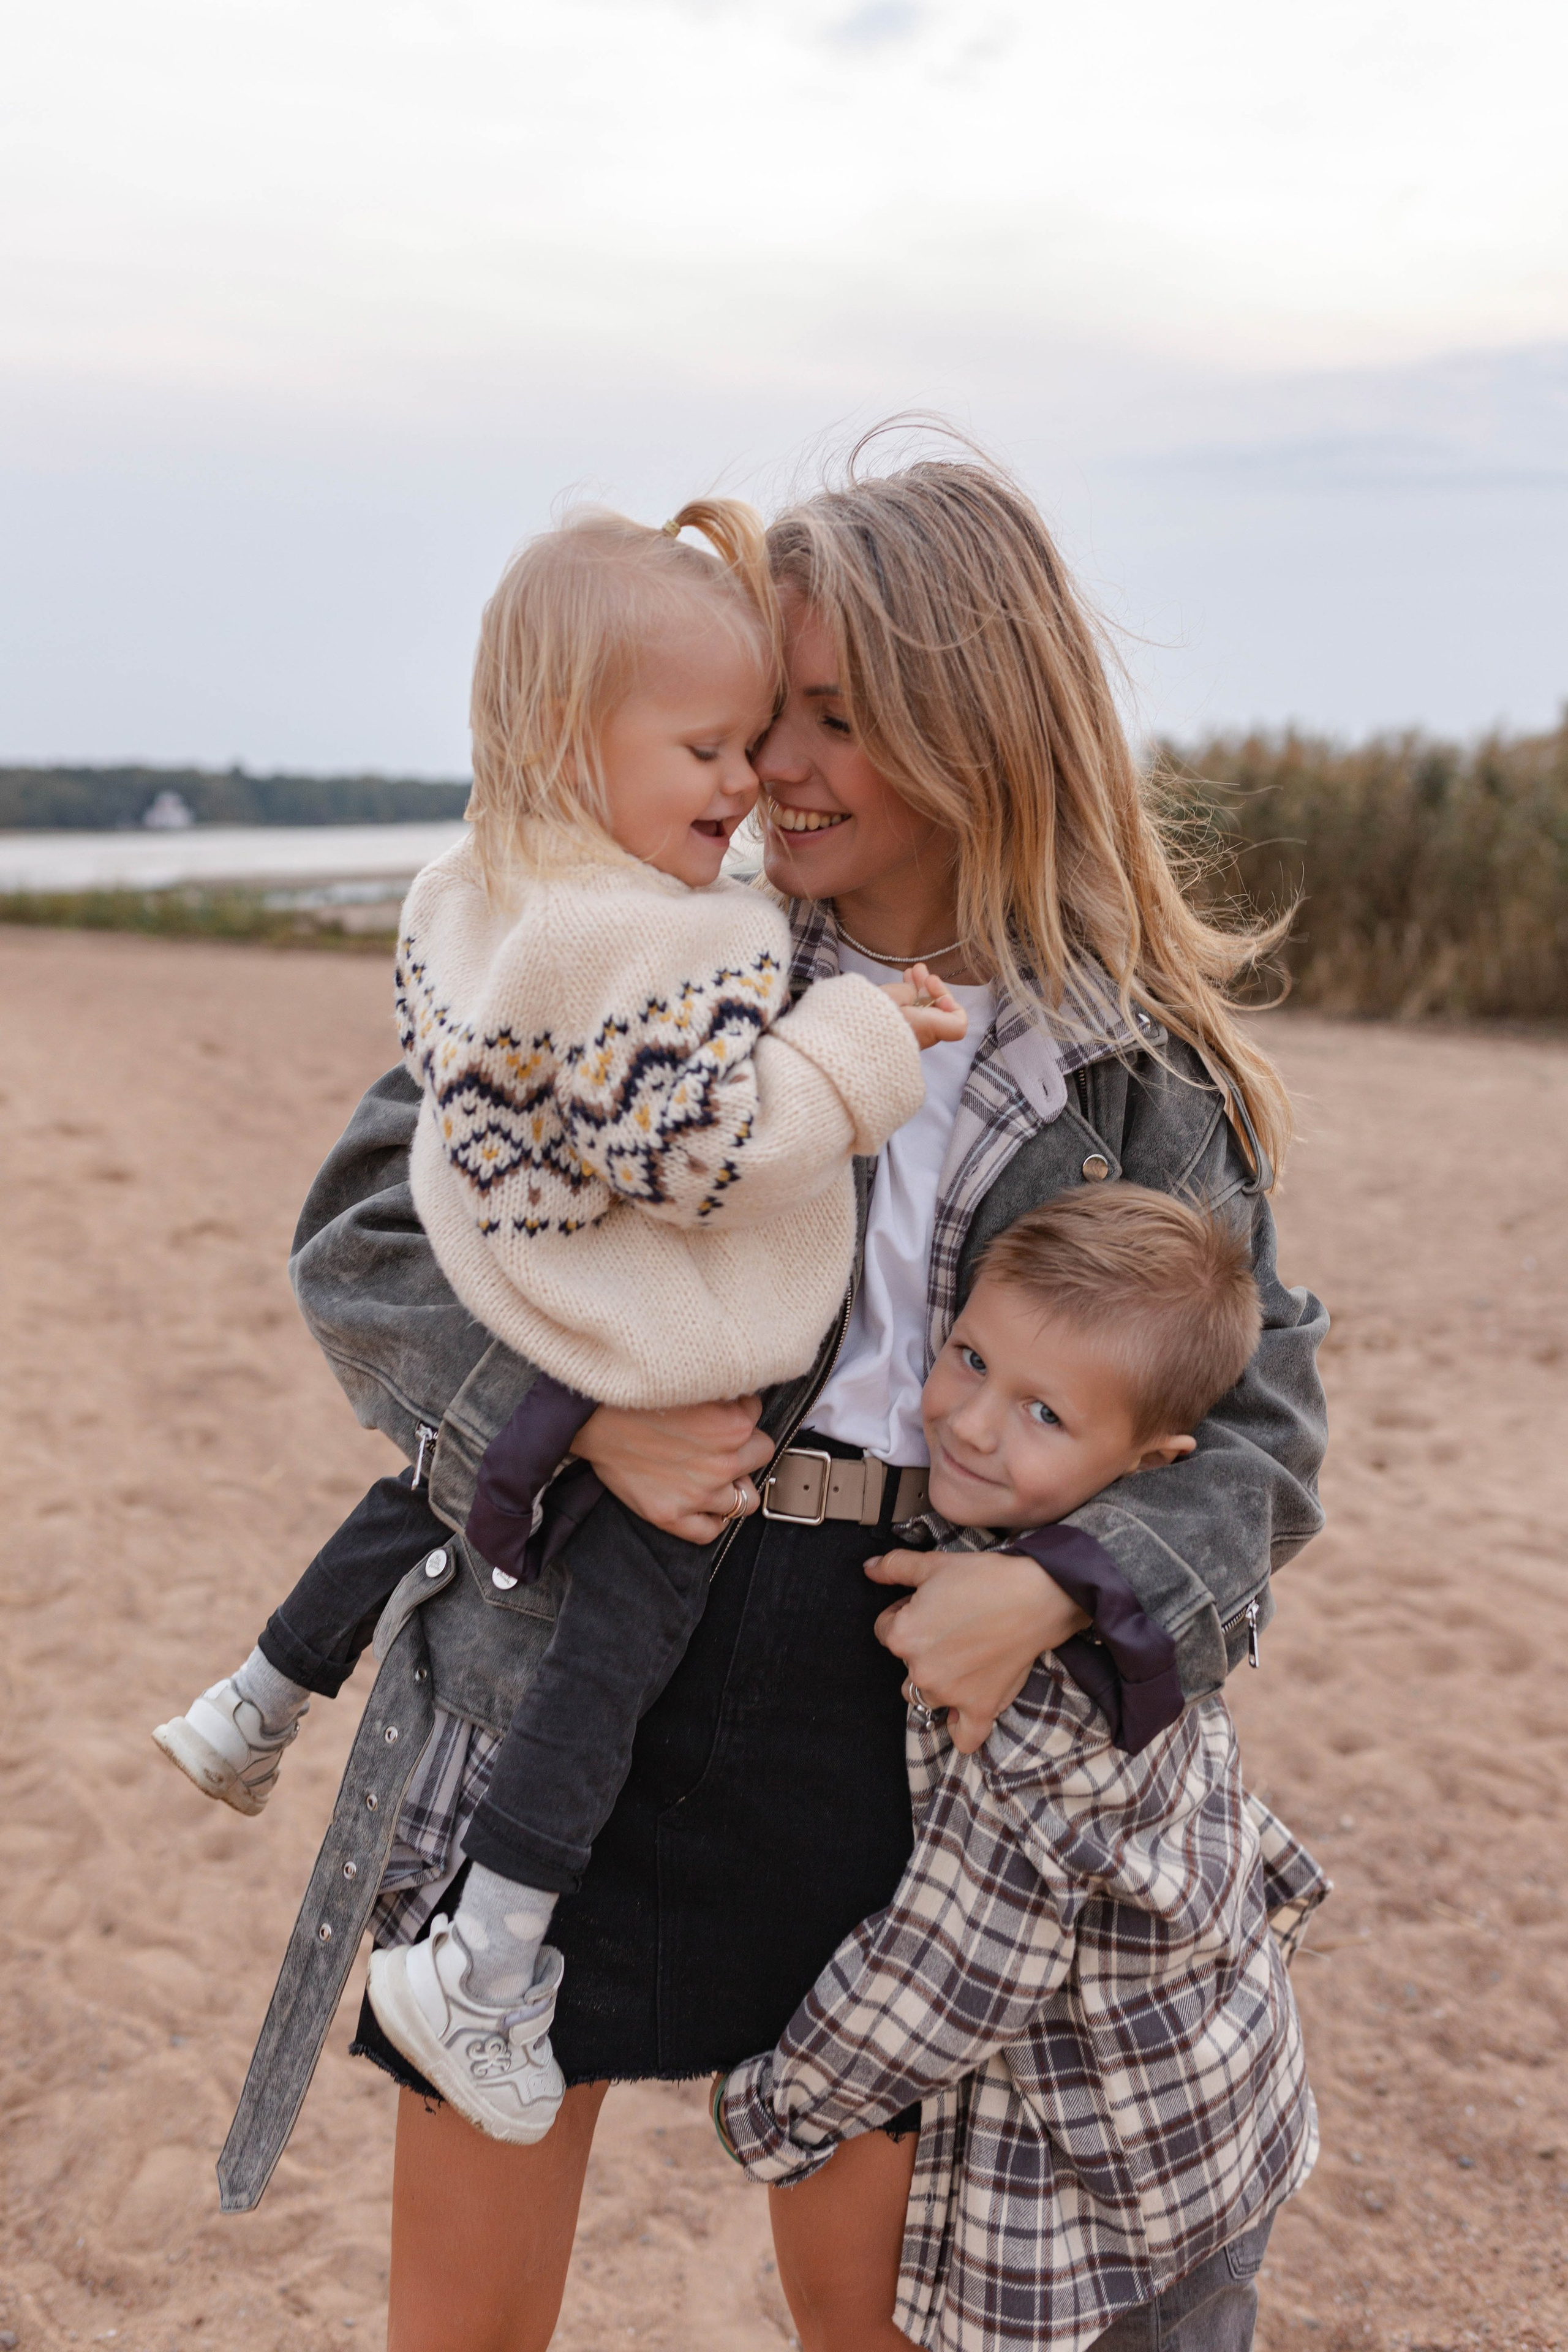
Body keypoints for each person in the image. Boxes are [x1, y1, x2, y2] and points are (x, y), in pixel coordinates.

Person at [217, 440, 1328, 2352]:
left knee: (880, 2306)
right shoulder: (646, 958)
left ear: (977, 730)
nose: (770, 770)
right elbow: (366, 1240)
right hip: (584, 1653)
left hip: (917, 1708)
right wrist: (588, 1422)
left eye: (833, 719)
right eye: (756, 718)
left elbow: (1262, 1423)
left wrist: (1066, 1585)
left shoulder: (1133, 1070)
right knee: (462, 2301)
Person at [153, 496, 956, 2139]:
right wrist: (862, 1052)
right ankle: (484, 1950)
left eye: (800, 731)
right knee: (605, 1647)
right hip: (642, 1409)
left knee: (420, 1514)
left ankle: (257, 1694)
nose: (752, 784)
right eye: (720, 745)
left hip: (791, 1573)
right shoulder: (632, 944)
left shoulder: (491, 898)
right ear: (572, 739)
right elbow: (692, 1149)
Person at [712, 1183, 1328, 2349]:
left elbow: (960, 1964)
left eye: (1044, 1413)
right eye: (969, 1358)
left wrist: (773, 2107)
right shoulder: (1091, 1592)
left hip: (1123, 2189)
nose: (975, 1423)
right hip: (1211, 2104)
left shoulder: (1041, 1685)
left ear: (1156, 1460)